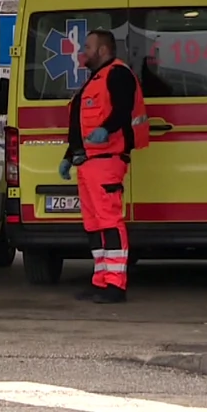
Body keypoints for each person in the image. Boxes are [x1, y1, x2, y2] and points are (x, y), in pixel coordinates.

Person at [58, 30, 148, 304]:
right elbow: (80, 125)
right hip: (87, 163)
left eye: (87, 47)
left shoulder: (117, 74)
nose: (82, 52)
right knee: (94, 225)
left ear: (103, 50)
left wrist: (106, 129)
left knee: (109, 222)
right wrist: (69, 155)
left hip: (107, 160)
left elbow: (122, 110)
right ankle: (101, 280)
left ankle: (115, 285)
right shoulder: (94, 80)